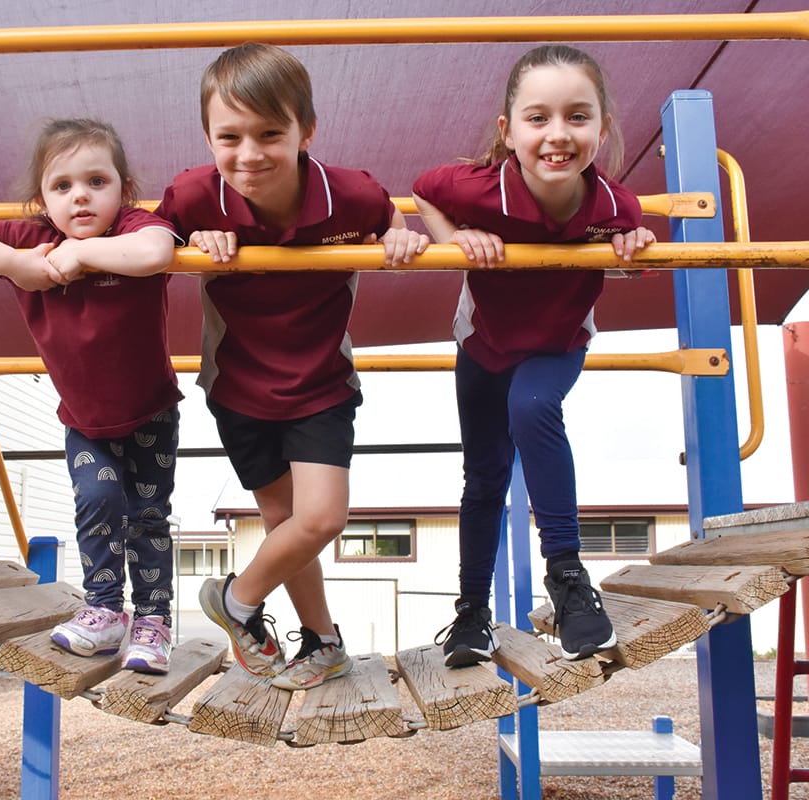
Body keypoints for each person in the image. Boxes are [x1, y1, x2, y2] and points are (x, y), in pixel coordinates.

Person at [157, 43, 428, 690]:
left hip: (321, 383)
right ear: (207, 138)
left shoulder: (351, 194)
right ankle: (324, 641)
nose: (248, 154)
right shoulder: (196, 195)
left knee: (322, 518)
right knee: (287, 525)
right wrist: (190, 240)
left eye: (269, 134)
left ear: (307, 131)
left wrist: (400, 234)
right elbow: (151, 237)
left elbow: (396, 223)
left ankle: (236, 600)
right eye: (230, 137)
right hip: (238, 385)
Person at [413, 45, 656, 665]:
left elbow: (628, 247)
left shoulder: (612, 206)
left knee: (534, 404)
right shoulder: (476, 186)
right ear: (509, 131)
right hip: (483, 343)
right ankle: (472, 612)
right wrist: (455, 238)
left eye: (578, 118)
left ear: (602, 129)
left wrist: (634, 243)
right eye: (538, 118)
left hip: (557, 341)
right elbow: (422, 191)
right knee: (484, 476)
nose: (558, 135)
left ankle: (569, 578)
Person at [0, 118, 183, 674]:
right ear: (42, 200)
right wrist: (16, 265)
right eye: (62, 186)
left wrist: (85, 255)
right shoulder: (33, 241)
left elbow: (154, 253)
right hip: (85, 419)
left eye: (97, 181)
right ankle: (104, 609)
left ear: (123, 190)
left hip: (150, 412)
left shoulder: (135, 228)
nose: (81, 196)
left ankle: (154, 620)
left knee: (146, 514)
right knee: (97, 503)